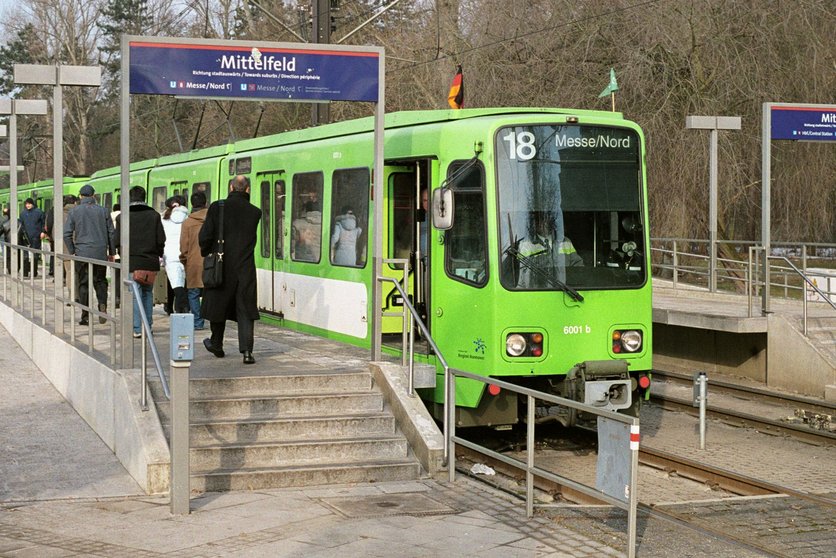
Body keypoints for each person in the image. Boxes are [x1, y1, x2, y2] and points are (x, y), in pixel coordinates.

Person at [199, 175, 261, 364]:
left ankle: (217, 343)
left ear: (231, 188)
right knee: (245, 309)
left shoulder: (218, 207)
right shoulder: (255, 212)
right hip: (245, 267)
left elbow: (205, 236)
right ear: (248, 190)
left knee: (219, 305)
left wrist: (207, 251)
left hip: (222, 265)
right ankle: (247, 352)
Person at [116, 186, 165, 338]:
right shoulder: (154, 215)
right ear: (144, 197)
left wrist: (121, 254)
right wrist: (158, 254)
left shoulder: (123, 217)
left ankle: (137, 328)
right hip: (150, 262)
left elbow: (117, 240)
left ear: (130, 198)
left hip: (132, 262)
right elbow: (161, 239)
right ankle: (148, 326)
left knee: (135, 295)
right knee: (148, 294)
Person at [63, 185, 116, 325]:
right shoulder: (104, 211)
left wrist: (72, 250)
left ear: (80, 196)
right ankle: (102, 306)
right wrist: (112, 252)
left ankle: (85, 315)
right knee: (100, 281)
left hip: (82, 253)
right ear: (94, 195)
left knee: (83, 283)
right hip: (99, 253)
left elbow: (66, 234)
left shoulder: (74, 211)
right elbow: (111, 233)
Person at [179, 191, 208, 330]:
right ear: (205, 203)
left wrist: (184, 260)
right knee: (210, 292)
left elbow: (184, 247)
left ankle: (198, 322)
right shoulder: (213, 219)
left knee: (193, 293)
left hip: (194, 263)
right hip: (211, 262)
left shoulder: (187, 223)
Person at [161, 195, 189, 314]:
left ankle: (179, 308)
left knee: (175, 282)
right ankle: (180, 308)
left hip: (169, 255)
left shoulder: (163, 219)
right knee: (183, 282)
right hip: (186, 253)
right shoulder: (189, 218)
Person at [20, 198, 45, 277]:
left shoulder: (39, 212)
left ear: (32, 204)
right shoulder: (23, 213)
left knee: (35, 255)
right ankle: (25, 272)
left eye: (29, 204)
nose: (27, 205)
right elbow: (21, 225)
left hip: (36, 236)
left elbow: (43, 223)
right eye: (26, 204)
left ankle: (34, 272)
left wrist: (43, 232)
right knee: (25, 255)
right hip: (25, 237)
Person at [110, 203, 121, 307]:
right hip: (124, 253)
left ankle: (116, 297)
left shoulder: (108, 217)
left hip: (113, 253)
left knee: (115, 276)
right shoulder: (125, 218)